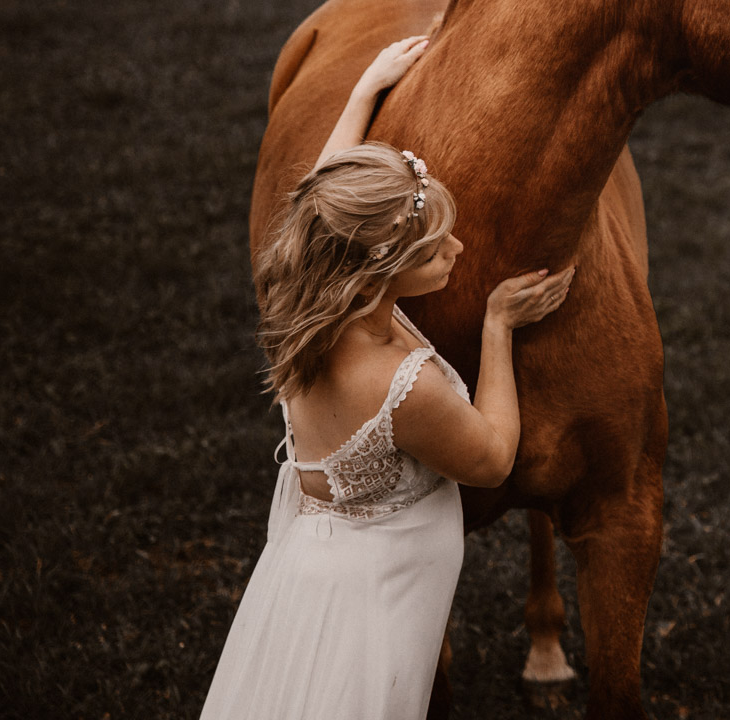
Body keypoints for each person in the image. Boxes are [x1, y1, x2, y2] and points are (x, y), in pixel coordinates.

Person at [201, 36, 575, 719]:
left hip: (306, 571)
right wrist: (497, 327)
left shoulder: (302, 290)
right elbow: (491, 460)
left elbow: (324, 196)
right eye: (435, 250)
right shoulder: (401, 386)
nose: (458, 250)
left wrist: (365, 89)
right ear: (378, 266)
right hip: (378, 600)